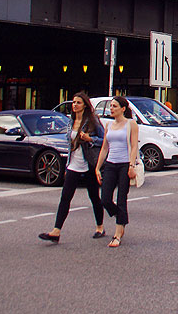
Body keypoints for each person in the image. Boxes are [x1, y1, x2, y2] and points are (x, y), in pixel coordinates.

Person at [39, 91, 106, 243]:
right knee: (65, 198)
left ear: (85, 105)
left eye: (78, 103)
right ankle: (56, 231)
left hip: (89, 164)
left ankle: (100, 227)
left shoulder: (93, 121)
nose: (75, 105)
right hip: (73, 164)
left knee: (94, 197)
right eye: (73, 103)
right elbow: (69, 144)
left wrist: (91, 139)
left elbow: (104, 140)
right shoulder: (71, 120)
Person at [95, 96, 139, 248]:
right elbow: (105, 148)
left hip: (124, 164)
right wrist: (98, 167)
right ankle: (121, 216)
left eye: (114, 106)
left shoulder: (131, 124)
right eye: (111, 106)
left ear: (123, 109)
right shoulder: (108, 125)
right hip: (110, 164)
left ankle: (118, 234)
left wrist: (131, 166)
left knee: (121, 199)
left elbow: (134, 146)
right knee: (105, 199)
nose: (111, 108)